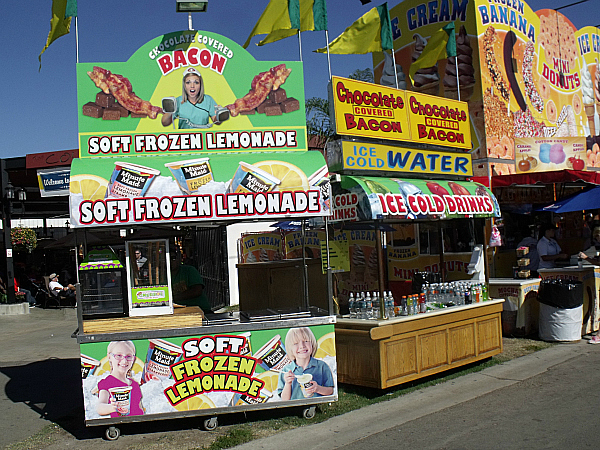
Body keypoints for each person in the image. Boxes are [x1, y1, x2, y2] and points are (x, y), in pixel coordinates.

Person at [276, 327, 334, 401]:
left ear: (312, 343)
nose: (302, 346)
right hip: (294, 408)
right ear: (290, 348)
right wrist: (288, 384)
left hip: (316, 406)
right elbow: (284, 399)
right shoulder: (286, 370)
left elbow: (330, 391)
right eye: (296, 343)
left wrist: (318, 389)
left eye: (306, 341)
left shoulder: (322, 366)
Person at [96, 341, 144, 417]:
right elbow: (100, 407)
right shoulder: (107, 383)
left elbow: (140, 409)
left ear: (133, 359)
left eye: (129, 356)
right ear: (109, 357)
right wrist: (112, 407)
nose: (124, 361)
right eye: (118, 355)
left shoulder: (135, 385)